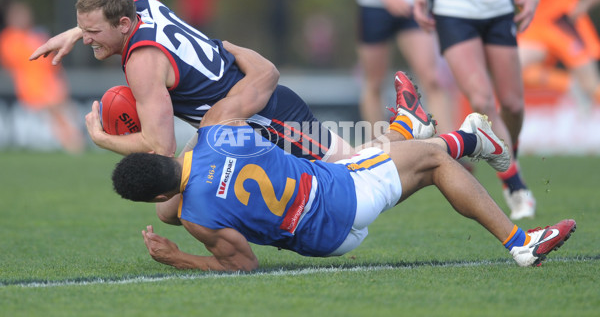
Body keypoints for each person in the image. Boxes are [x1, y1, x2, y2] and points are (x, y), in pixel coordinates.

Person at [29, 0, 436, 226]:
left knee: (359, 179)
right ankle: (237, 237)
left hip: (268, 117)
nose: (88, 38)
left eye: (92, 31)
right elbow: (111, 16)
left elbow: (161, 148)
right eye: (84, 30)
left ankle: (414, 133)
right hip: (234, 121)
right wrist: (75, 33)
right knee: (170, 208)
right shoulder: (142, 6)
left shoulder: (142, 64)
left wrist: (104, 139)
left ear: (121, 25)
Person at [110, 67, 576, 271]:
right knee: (434, 157)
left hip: (323, 242)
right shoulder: (215, 133)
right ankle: (520, 242)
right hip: (340, 196)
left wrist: (178, 257)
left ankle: (414, 127)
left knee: (380, 158)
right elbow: (261, 73)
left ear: (155, 197)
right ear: (161, 153)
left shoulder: (194, 219)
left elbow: (243, 265)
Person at [404, 0, 544, 220]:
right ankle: (515, 186)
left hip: (500, 7)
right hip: (452, 9)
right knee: (481, 98)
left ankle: (508, 151)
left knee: (513, 105)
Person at [343, 0, 457, 136]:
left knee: (432, 79)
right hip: (373, 4)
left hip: (413, 3)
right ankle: (378, 147)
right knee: (373, 83)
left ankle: (447, 144)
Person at [0, 0, 84, 153]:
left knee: (67, 111)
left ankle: (74, 141)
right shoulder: (9, 39)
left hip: (49, 84)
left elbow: (53, 64)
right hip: (33, 88)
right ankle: (72, 143)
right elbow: (12, 63)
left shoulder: (36, 35)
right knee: (57, 113)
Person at [516, 0, 600, 105]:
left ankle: (581, 87)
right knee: (509, 69)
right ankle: (569, 84)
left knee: (591, 86)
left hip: (563, 20)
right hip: (538, 24)